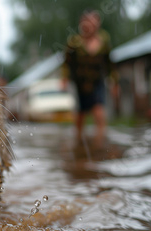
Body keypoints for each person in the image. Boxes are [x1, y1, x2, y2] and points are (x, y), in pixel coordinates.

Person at [61, 10, 119, 141]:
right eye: (86, 22)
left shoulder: (104, 41)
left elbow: (110, 63)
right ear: (81, 24)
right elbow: (66, 63)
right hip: (80, 82)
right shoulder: (74, 42)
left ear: (97, 24)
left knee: (99, 110)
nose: (89, 25)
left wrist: (114, 82)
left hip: (97, 81)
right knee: (80, 114)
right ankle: (79, 141)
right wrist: (64, 79)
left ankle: (100, 141)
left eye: (93, 22)